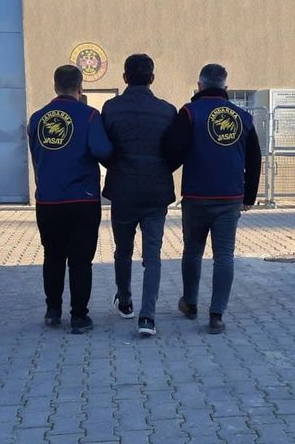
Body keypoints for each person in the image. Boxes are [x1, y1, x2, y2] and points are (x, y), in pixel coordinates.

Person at [163, 63, 261, 334]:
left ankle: (190, 303)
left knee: (192, 251)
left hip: (196, 196)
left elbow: (174, 151)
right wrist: (249, 196)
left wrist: (159, 174)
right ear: (226, 87)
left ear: (199, 86)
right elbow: (254, 159)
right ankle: (217, 314)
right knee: (224, 255)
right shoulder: (243, 117)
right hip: (230, 196)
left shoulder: (189, 113)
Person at [27, 65, 113, 334]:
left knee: (52, 256)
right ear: (80, 87)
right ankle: (79, 317)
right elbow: (103, 152)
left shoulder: (37, 118)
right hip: (82, 200)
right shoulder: (89, 116)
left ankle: (53, 311)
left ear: (55, 86)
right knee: (80, 260)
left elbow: (37, 156)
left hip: (48, 200)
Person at [102, 54, 177, 337]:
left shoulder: (110, 108)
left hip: (122, 190)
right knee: (152, 256)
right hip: (156, 192)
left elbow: (104, 148)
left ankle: (125, 301)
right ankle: (148, 317)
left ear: (124, 77)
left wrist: (117, 166)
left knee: (123, 250)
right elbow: (175, 151)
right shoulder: (167, 111)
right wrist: (161, 168)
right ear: (152, 78)